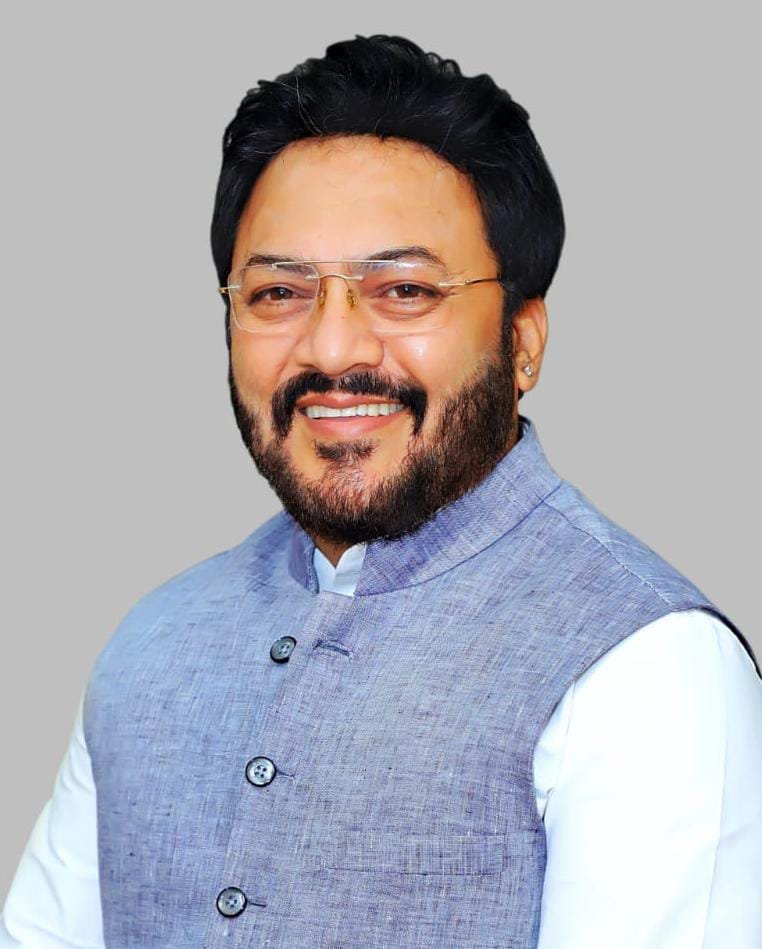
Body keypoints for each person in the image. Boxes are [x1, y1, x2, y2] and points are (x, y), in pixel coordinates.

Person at [2, 32, 761, 949]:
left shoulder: (646, 667)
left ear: (523, 341)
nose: (332, 349)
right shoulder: (151, 643)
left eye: (403, 290)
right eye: (278, 293)